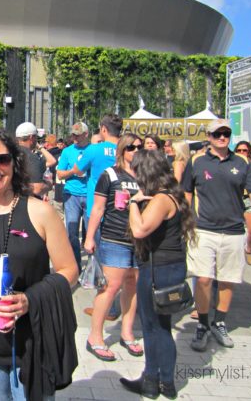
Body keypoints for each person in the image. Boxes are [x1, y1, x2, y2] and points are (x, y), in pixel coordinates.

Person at [0, 129, 78, 400]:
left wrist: (29, 299)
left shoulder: (40, 211)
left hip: (32, 344)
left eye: (1, 159)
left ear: (14, 162)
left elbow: (69, 270)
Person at [182, 119, 251, 351]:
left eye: (226, 133)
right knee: (203, 279)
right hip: (203, 229)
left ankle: (219, 321)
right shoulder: (197, 161)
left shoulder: (242, 162)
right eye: (217, 134)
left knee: (228, 279)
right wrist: (185, 221)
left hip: (233, 230)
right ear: (209, 136)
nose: (222, 137)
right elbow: (186, 192)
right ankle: (203, 323)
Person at [119, 149, 196, 399]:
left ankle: (154, 381)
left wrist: (132, 202)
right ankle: (164, 382)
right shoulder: (171, 195)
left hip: (158, 269)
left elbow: (140, 229)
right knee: (163, 326)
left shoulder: (161, 199)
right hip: (171, 266)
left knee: (154, 327)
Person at [84, 133, 143, 361]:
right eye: (131, 147)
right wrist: (89, 237)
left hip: (139, 238)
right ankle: (95, 337)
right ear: (121, 151)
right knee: (111, 286)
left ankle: (127, 333)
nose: (135, 151)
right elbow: (98, 209)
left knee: (133, 285)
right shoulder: (110, 174)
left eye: (139, 147)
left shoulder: (146, 176)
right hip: (114, 237)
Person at [75, 114, 122, 320]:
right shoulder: (127, 148)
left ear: (103, 129)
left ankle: (107, 307)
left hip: (99, 210)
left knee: (102, 261)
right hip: (122, 211)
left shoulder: (94, 150)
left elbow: (78, 170)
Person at [56, 122, 91, 271]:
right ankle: (76, 267)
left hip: (90, 194)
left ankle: (92, 268)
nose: (74, 137)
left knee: (91, 233)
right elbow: (59, 173)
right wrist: (74, 171)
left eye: (78, 134)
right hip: (71, 195)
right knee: (72, 232)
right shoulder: (67, 151)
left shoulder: (93, 150)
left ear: (86, 134)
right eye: (73, 134)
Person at [234, 141, 251, 266]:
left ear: (249, 151)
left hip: (249, 199)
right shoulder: (231, 164)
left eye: (244, 150)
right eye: (239, 150)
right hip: (234, 199)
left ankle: (248, 250)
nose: (241, 153)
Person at [15, 122, 56, 199]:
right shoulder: (31, 157)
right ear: (31, 137)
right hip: (28, 202)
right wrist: (49, 185)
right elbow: (37, 189)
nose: (37, 140)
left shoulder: (11, 152)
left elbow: (52, 161)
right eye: (36, 137)